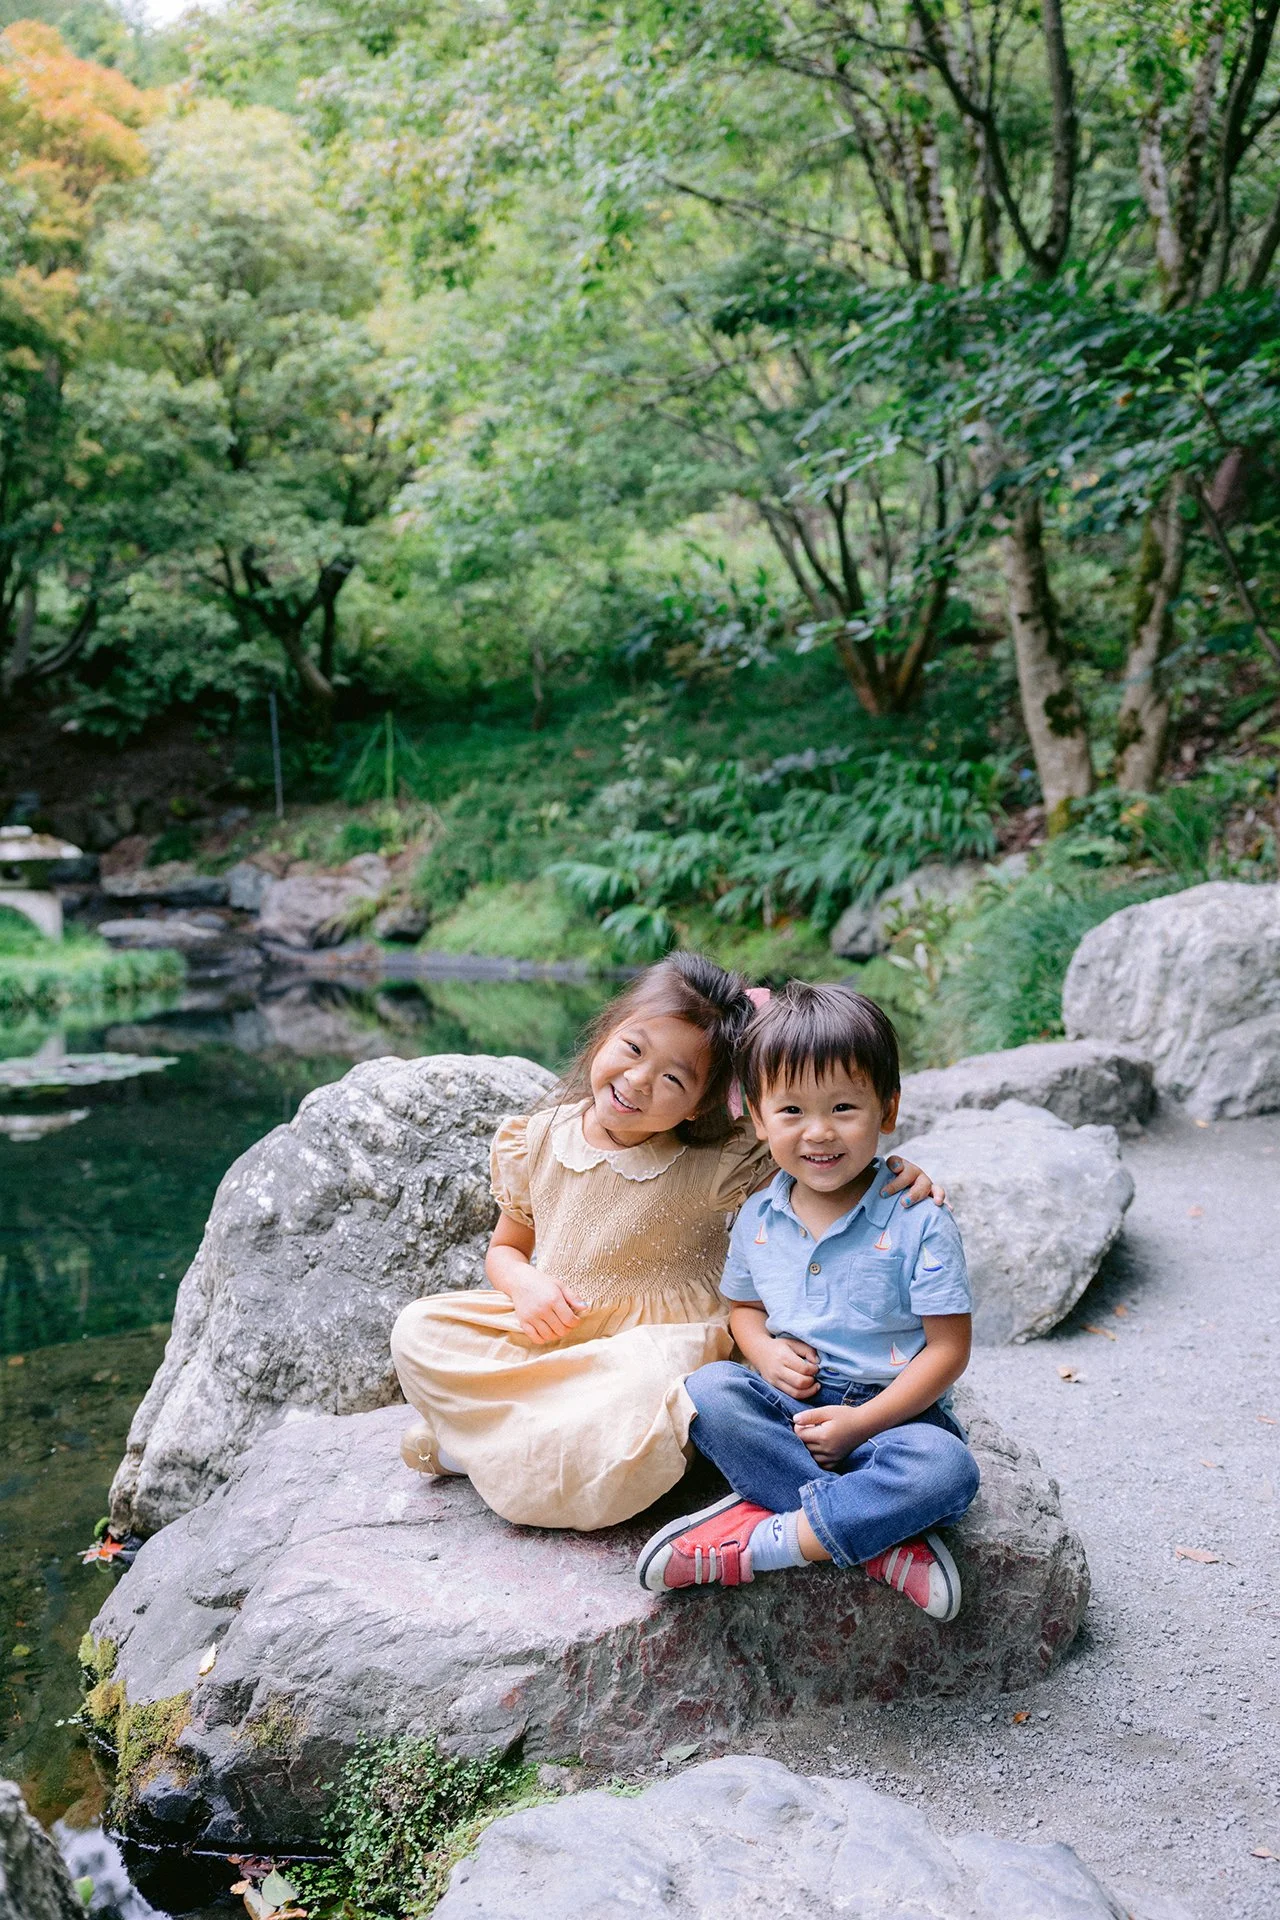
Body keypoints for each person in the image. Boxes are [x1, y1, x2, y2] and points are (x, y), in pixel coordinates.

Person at [391, 953, 943, 1533]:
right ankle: (511, 1442)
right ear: (607, 1030)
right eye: (632, 1049)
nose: (637, 1081)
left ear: (705, 1102)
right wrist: (522, 1282)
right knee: (419, 1331)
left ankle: (482, 1444)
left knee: (634, 1402)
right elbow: (505, 1249)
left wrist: (895, 1176)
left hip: (655, 1348)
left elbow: (815, 1151)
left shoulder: (715, 1162)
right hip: (559, 1326)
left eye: (674, 1079)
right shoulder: (538, 1136)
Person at [637, 980, 978, 1620]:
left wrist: (862, 1423)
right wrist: (763, 1353)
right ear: (759, 1118)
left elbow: (949, 1350)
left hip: (895, 1417)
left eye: (844, 1107)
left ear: (888, 1108)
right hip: (791, 1407)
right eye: (791, 1111)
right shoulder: (759, 1216)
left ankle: (770, 1539)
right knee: (709, 1392)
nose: (819, 1133)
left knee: (946, 1470)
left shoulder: (916, 1216)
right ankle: (876, 1541)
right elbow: (745, 1310)